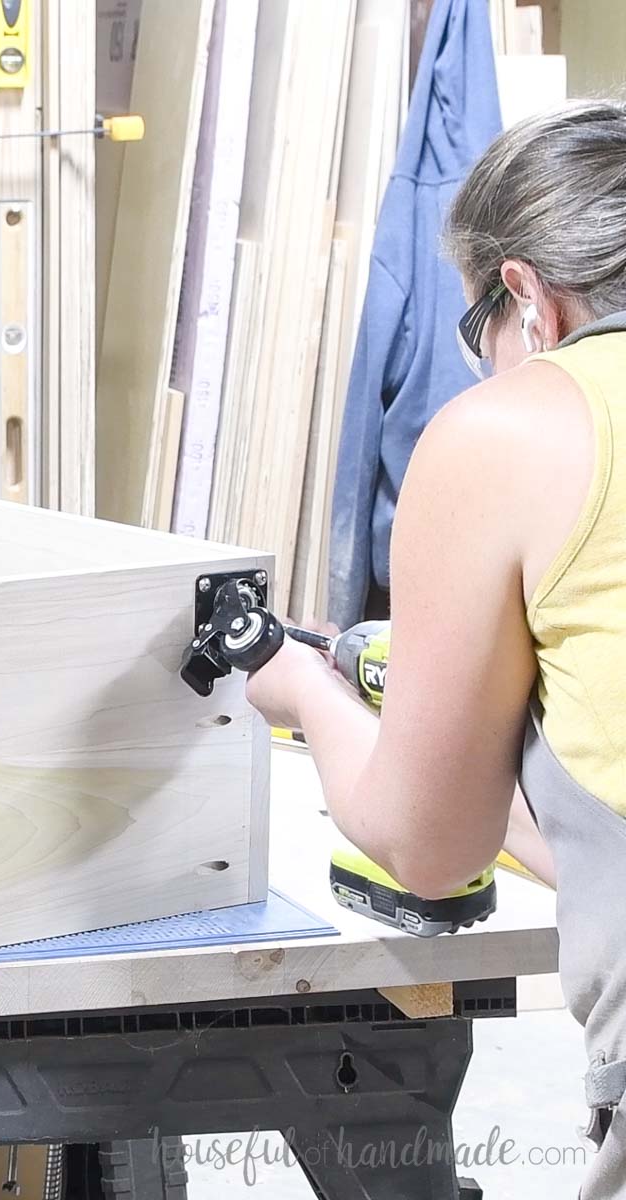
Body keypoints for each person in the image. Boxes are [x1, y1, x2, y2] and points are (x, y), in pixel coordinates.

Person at [243, 99, 626, 1199]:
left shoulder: (517, 428)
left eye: (479, 335)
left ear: (528, 298)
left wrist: (314, 693)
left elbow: (425, 852)